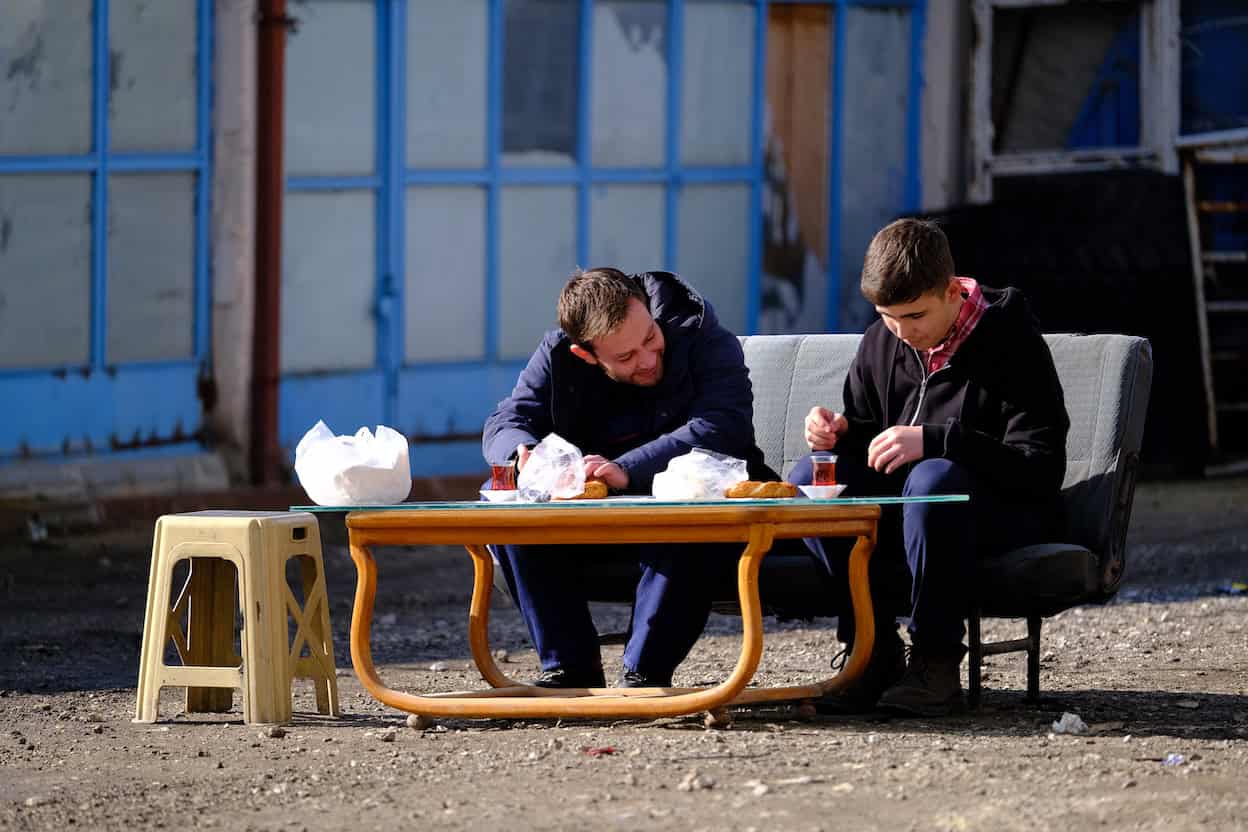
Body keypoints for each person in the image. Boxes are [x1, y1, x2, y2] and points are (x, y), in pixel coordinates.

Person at [788, 218, 1069, 716]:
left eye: (914, 315)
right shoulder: (883, 338)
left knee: (933, 480)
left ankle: (936, 662)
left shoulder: (1011, 340)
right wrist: (840, 431)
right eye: (887, 316)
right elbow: (872, 429)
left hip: (996, 514)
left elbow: (1039, 468)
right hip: (910, 515)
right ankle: (873, 649)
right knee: (810, 478)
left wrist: (938, 440)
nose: (902, 331)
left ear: (950, 291)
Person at [482, 267, 775, 689]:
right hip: (592, 520)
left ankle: (644, 675)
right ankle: (569, 668)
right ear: (586, 355)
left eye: (651, 339)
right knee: (504, 492)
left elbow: (723, 426)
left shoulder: (703, 335)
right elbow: (506, 420)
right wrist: (522, 454)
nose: (648, 360)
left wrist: (628, 468)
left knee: (691, 507)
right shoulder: (558, 355)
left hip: (694, 517)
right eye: (625, 357)